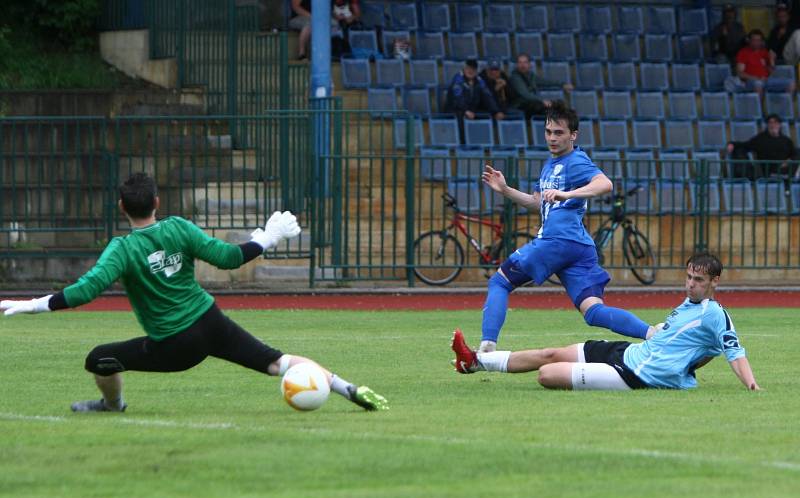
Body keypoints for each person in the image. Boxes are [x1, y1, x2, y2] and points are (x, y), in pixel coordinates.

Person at [0, 173, 388, 413]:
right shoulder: (180, 229)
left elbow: (85, 291)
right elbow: (231, 258)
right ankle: (348, 388)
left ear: (121, 207)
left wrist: (31, 305)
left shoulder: (122, 249)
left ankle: (113, 406)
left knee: (99, 359)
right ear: (156, 202)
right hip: (210, 321)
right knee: (277, 362)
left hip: (174, 345)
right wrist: (266, 238)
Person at [473, 101, 658, 355]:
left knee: (500, 282)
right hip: (578, 247)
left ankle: (486, 349)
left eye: (559, 133)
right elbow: (539, 203)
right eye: (548, 132)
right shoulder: (550, 164)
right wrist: (506, 190)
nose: (552, 138)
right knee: (593, 311)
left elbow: (605, 184)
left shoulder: (576, 161)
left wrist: (566, 194)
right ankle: (654, 334)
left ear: (573, 135)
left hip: (558, 241)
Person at [452, 253, 761, 393]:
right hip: (629, 352)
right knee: (550, 353)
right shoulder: (688, 304)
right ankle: (475, 361)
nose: (690, 284)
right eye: (689, 277)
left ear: (714, 282)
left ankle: (479, 361)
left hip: (635, 375)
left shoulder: (714, 313)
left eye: (698, 280)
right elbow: (700, 349)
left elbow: (734, 351)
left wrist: (751, 385)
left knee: (547, 375)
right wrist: (689, 364)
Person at [444, 59, 505, 141]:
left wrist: (496, 111)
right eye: (468, 68)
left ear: (476, 70)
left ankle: (483, 143)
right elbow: (458, 99)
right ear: (464, 69)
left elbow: (487, 96)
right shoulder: (458, 79)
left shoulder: (479, 80)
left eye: (473, 69)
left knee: (489, 116)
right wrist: (465, 110)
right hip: (455, 109)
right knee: (461, 118)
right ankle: (463, 145)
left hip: (471, 110)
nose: (470, 71)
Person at [727, 114, 799, 181]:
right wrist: (732, 144)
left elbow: (794, 154)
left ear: (779, 125)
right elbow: (745, 145)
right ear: (767, 125)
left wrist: (789, 160)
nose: (773, 125)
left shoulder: (786, 140)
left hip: (788, 169)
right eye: (770, 123)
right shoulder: (760, 139)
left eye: (775, 123)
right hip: (771, 172)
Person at [727, 29, 795, 94]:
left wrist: (772, 60)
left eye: (759, 40)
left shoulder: (764, 52)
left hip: (766, 80)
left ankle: (787, 105)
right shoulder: (743, 53)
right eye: (754, 40)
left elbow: (772, 72)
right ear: (749, 40)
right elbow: (740, 73)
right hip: (751, 82)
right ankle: (759, 106)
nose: (756, 42)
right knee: (758, 84)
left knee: (791, 83)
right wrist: (757, 78)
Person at [507, 53, 573, 120]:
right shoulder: (515, 78)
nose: (522, 65)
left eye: (525, 62)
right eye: (520, 62)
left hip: (532, 103)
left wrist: (562, 84)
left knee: (558, 105)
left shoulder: (531, 76)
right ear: (517, 65)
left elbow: (546, 82)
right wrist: (542, 101)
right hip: (520, 105)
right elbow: (525, 94)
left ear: (529, 64)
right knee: (546, 109)